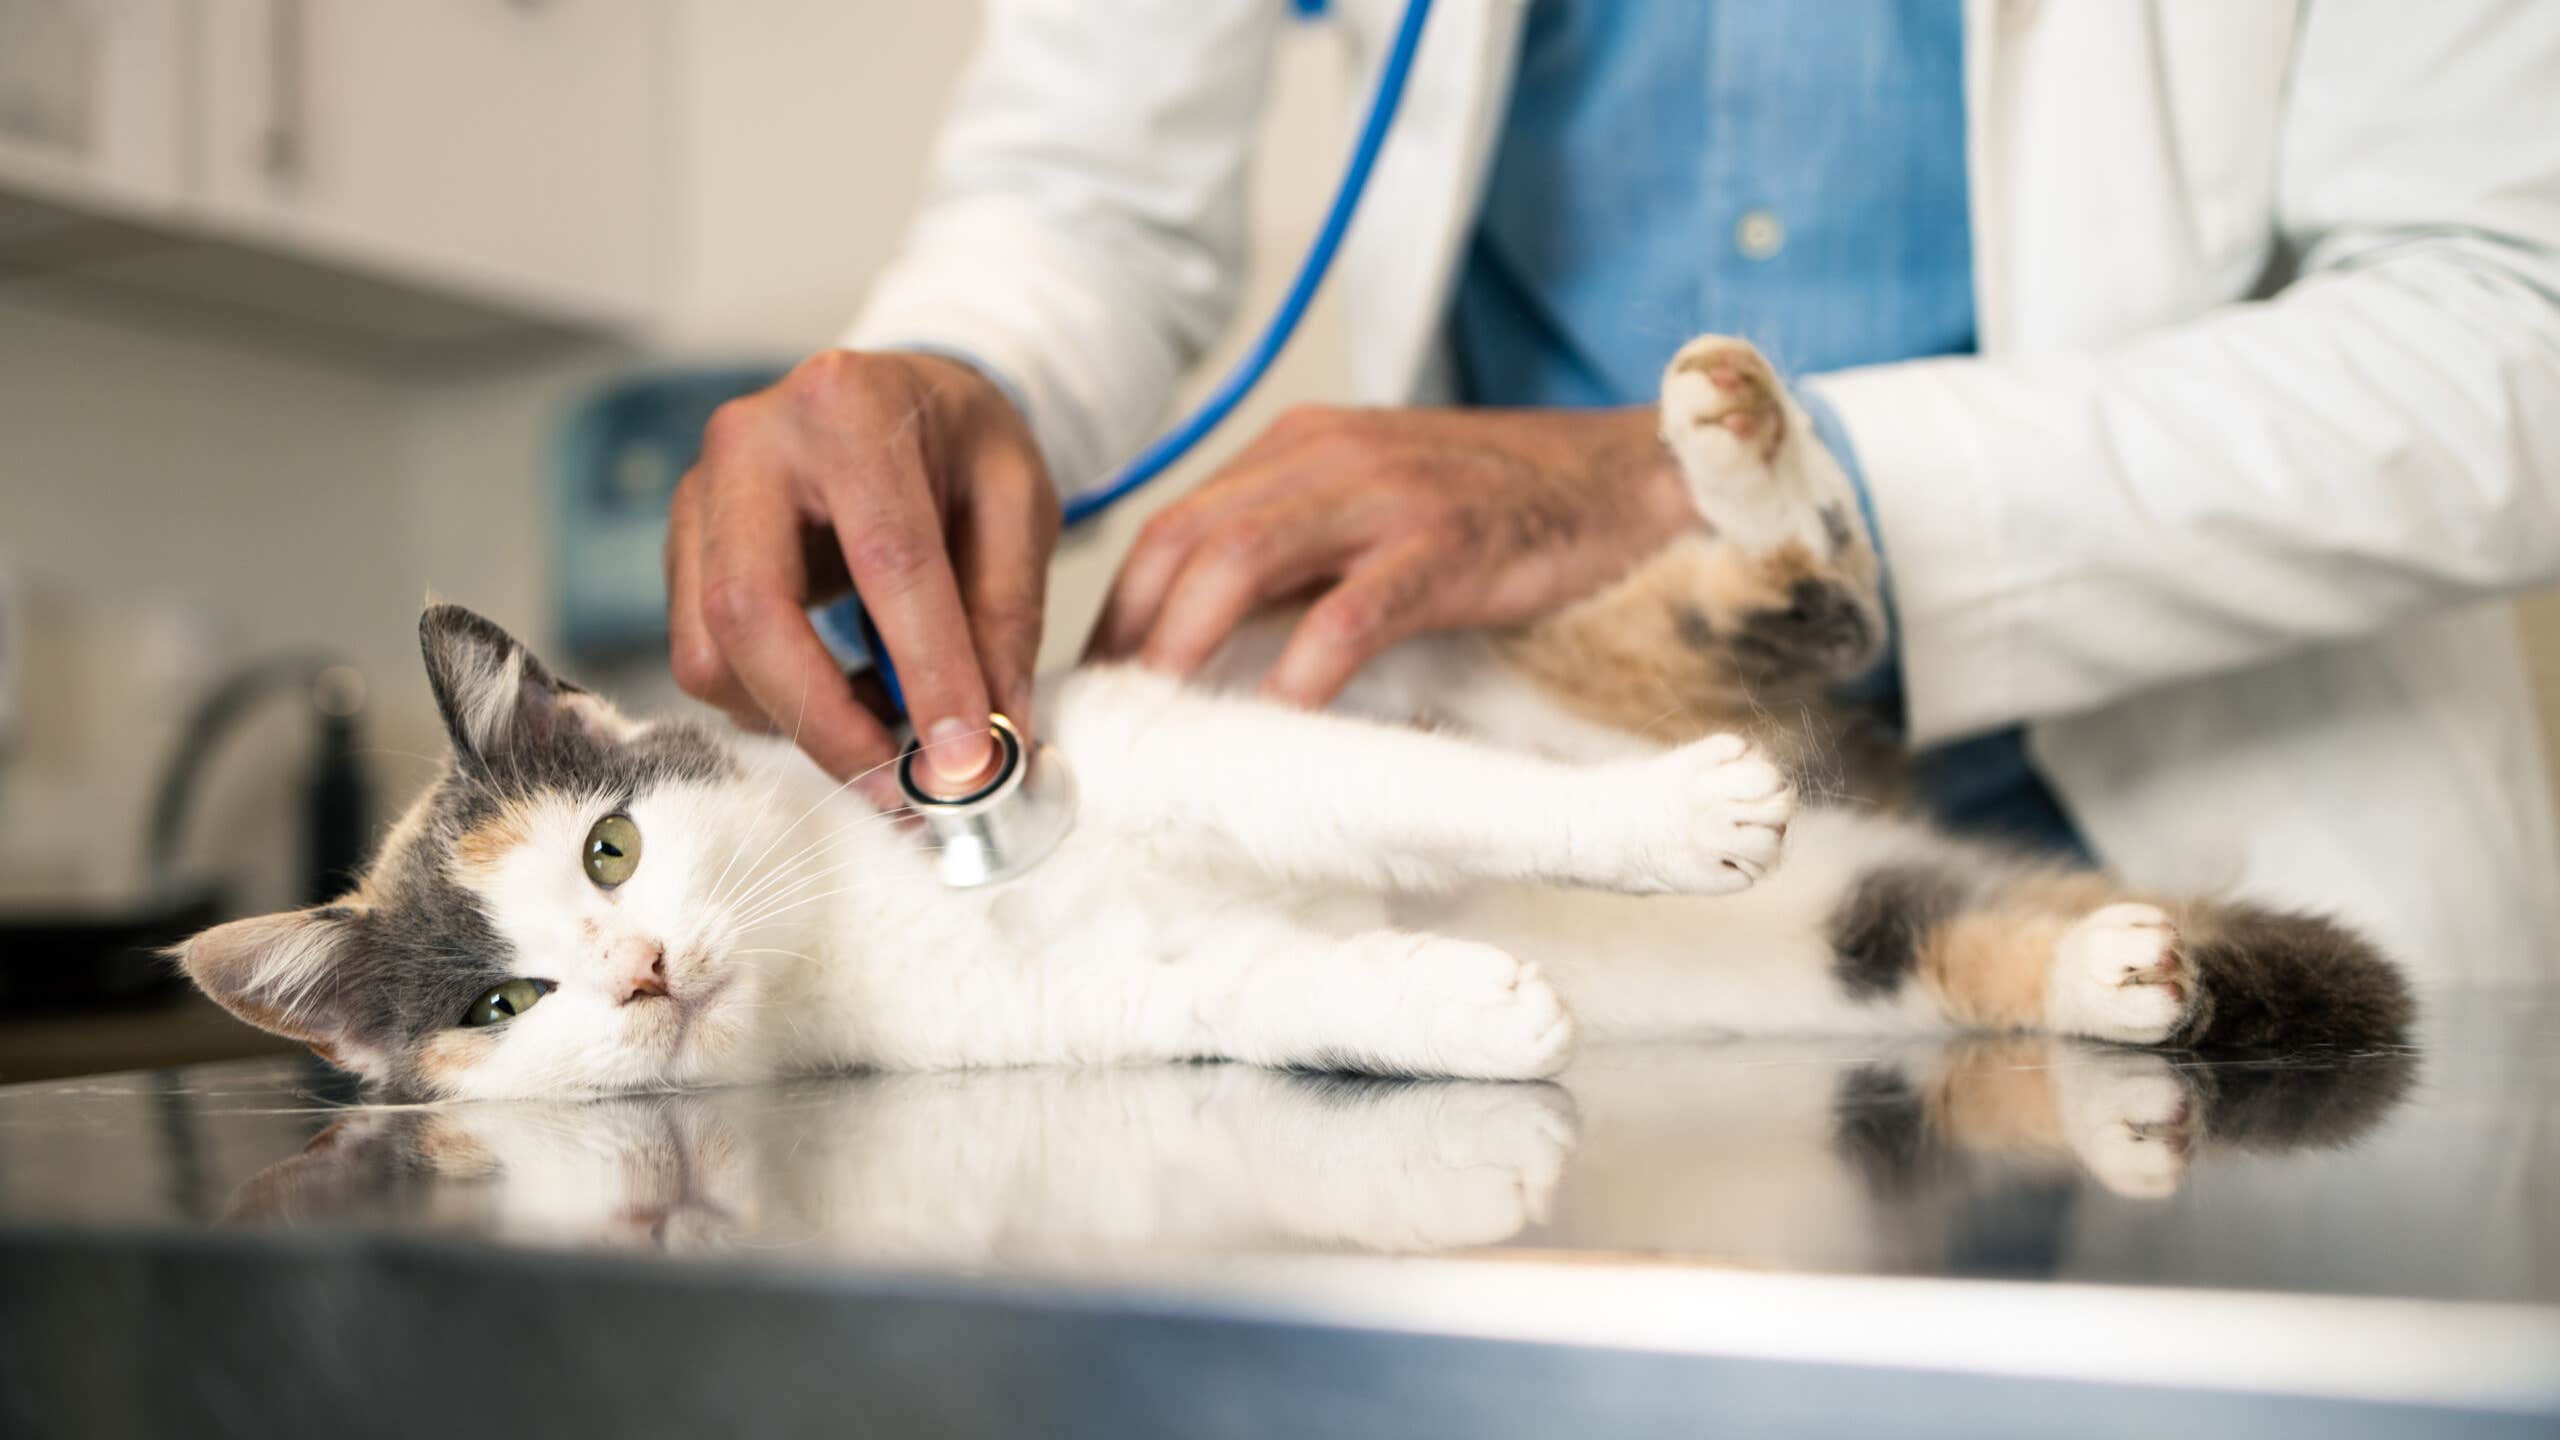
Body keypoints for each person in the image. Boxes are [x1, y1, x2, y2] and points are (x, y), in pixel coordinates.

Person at [662, 1, 2560, 979]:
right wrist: (951, 378)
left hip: (2196, 874)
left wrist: (1688, 493)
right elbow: (1078, 199)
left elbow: (2515, 319)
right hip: (1539, 902)